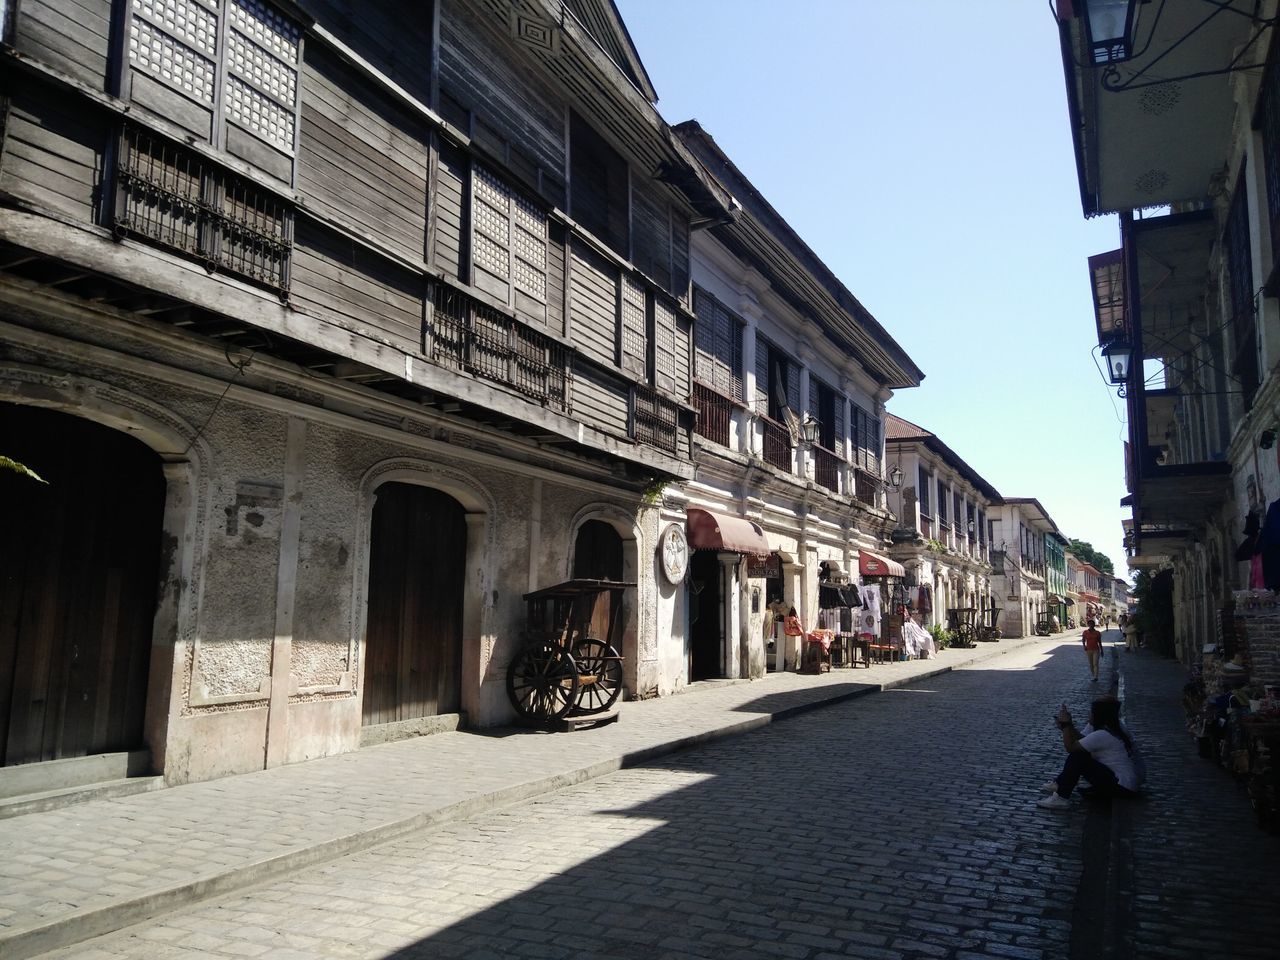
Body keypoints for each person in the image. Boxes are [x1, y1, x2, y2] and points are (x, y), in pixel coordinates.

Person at [1037, 697, 1142, 809]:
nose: (1089, 715)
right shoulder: (1112, 730)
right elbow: (1085, 740)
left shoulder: (1102, 735)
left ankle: (1061, 797)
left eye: (1091, 713)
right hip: (1126, 785)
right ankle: (1060, 784)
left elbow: (1071, 747)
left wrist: (1066, 725)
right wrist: (1068, 727)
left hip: (1122, 787)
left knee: (1078, 756)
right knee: (1081, 753)